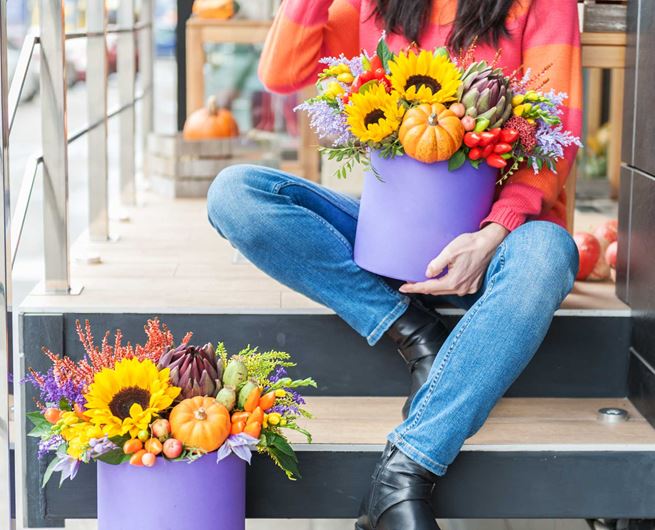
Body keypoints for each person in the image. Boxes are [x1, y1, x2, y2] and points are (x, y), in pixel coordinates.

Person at [207, 1, 582, 528]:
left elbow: (559, 133)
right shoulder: (373, 6)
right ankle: (412, 329)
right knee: (236, 193)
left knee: (550, 253)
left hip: (500, 247)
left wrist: (494, 232)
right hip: (395, 243)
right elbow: (281, 73)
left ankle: (403, 474)